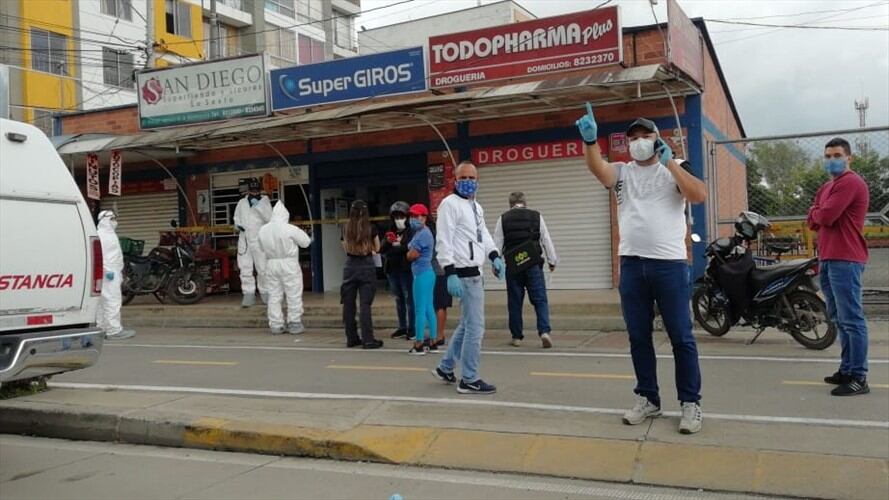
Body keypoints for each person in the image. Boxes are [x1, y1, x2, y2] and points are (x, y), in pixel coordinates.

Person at [576, 103, 708, 434]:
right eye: (632, 136)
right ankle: (648, 397)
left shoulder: (676, 165)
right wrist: (591, 142)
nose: (638, 141)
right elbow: (598, 170)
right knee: (638, 337)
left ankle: (690, 403)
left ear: (656, 138)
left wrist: (670, 164)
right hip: (632, 264)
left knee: (681, 337)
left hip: (670, 265)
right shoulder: (623, 171)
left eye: (644, 135)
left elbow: (698, 194)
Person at [431, 161, 505, 395]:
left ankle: (446, 367)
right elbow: (443, 240)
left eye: (472, 178)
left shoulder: (476, 207)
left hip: (476, 273)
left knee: (467, 325)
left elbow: (482, 236)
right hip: (462, 273)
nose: (468, 182)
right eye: (463, 177)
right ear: (455, 179)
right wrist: (449, 272)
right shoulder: (449, 205)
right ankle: (469, 378)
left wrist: (494, 256)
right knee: (476, 328)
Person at [807, 137, 870, 397]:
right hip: (829, 258)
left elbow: (827, 216)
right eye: (828, 156)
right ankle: (846, 369)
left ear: (848, 157)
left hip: (847, 258)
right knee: (839, 318)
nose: (832, 160)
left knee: (852, 319)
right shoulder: (826, 187)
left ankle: (859, 376)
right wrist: (817, 212)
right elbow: (813, 220)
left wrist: (817, 212)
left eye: (837, 155)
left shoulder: (851, 183)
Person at [493, 192, 559, 349]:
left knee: (515, 302)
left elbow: (497, 243)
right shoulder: (536, 216)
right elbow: (546, 239)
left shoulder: (503, 218)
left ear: (510, 204)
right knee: (540, 299)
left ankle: (516, 337)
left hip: (513, 266)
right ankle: (544, 332)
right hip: (533, 264)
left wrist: (496, 265)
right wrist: (552, 260)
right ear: (525, 202)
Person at [258, 202, 312, 336]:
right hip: (289, 264)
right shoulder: (290, 228)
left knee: (274, 295)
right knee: (293, 294)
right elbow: (305, 242)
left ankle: (276, 324)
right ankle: (294, 323)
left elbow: (260, 248)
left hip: (271, 263)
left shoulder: (263, 229)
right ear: (285, 215)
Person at [341, 199, 384, 349]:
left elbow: (344, 247)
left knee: (348, 304)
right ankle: (368, 339)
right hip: (366, 265)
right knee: (365, 305)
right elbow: (377, 248)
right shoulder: (371, 228)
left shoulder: (345, 228)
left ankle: (351, 337)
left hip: (350, 266)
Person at [96, 210, 135, 340]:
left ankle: (101, 329)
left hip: (111, 272)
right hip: (108, 274)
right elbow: (99, 256)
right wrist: (107, 271)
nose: (115, 221)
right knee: (112, 301)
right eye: (112, 219)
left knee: (103, 302)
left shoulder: (108, 234)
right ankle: (113, 330)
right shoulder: (102, 235)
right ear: (105, 220)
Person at [233, 177, 272, 308]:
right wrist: (238, 225)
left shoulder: (265, 201)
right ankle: (248, 294)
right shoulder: (241, 203)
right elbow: (236, 217)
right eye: (252, 190)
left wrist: (258, 207)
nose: (254, 193)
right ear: (249, 190)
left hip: (259, 239)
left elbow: (269, 218)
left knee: (263, 268)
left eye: (256, 190)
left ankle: (266, 293)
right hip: (244, 239)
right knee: (245, 268)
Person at [380, 201, 415, 339]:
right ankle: (402, 326)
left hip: (407, 270)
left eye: (401, 216)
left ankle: (412, 328)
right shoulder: (390, 231)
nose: (399, 219)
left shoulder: (411, 230)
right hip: (393, 270)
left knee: (409, 299)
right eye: (396, 217)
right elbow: (382, 250)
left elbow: (408, 248)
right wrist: (389, 243)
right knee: (398, 299)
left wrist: (396, 248)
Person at [406, 203, 437, 355]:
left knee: (419, 309)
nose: (413, 219)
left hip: (422, 274)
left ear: (424, 217)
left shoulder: (423, 234)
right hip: (427, 273)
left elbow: (412, 255)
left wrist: (408, 252)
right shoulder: (421, 232)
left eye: (416, 216)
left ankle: (418, 343)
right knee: (428, 307)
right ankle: (432, 340)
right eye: (411, 216)